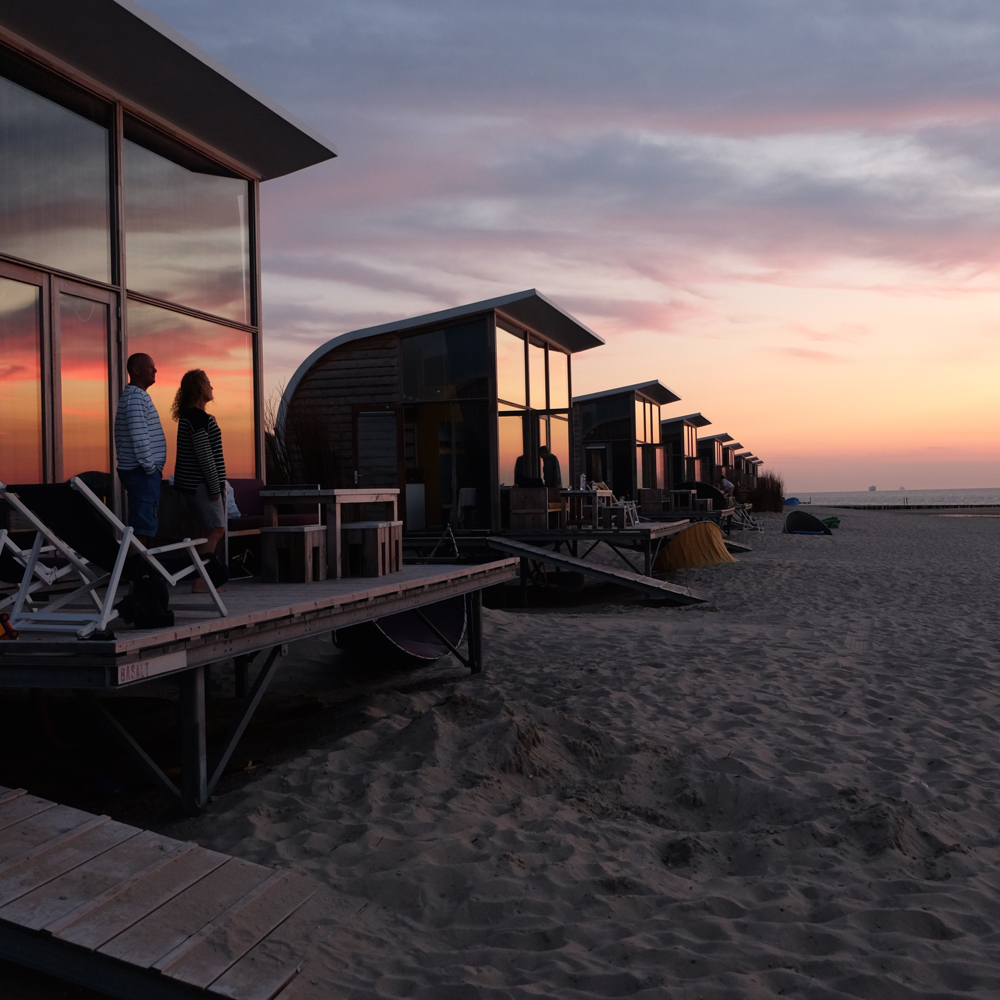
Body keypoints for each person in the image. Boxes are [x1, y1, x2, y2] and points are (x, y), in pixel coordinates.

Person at [172, 370, 227, 590]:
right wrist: (215, 486)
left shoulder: (194, 417)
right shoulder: (196, 418)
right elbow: (204, 455)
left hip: (194, 485)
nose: (211, 387)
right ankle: (202, 580)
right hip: (201, 485)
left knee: (202, 531)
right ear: (199, 388)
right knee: (217, 529)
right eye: (208, 383)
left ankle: (200, 579)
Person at [114, 353, 166, 545]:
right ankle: (136, 563)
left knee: (143, 524)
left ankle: (137, 562)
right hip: (141, 472)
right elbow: (139, 435)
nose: (155, 370)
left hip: (142, 471)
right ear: (136, 370)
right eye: (150, 367)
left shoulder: (136, 396)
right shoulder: (136, 397)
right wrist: (149, 467)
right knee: (141, 526)